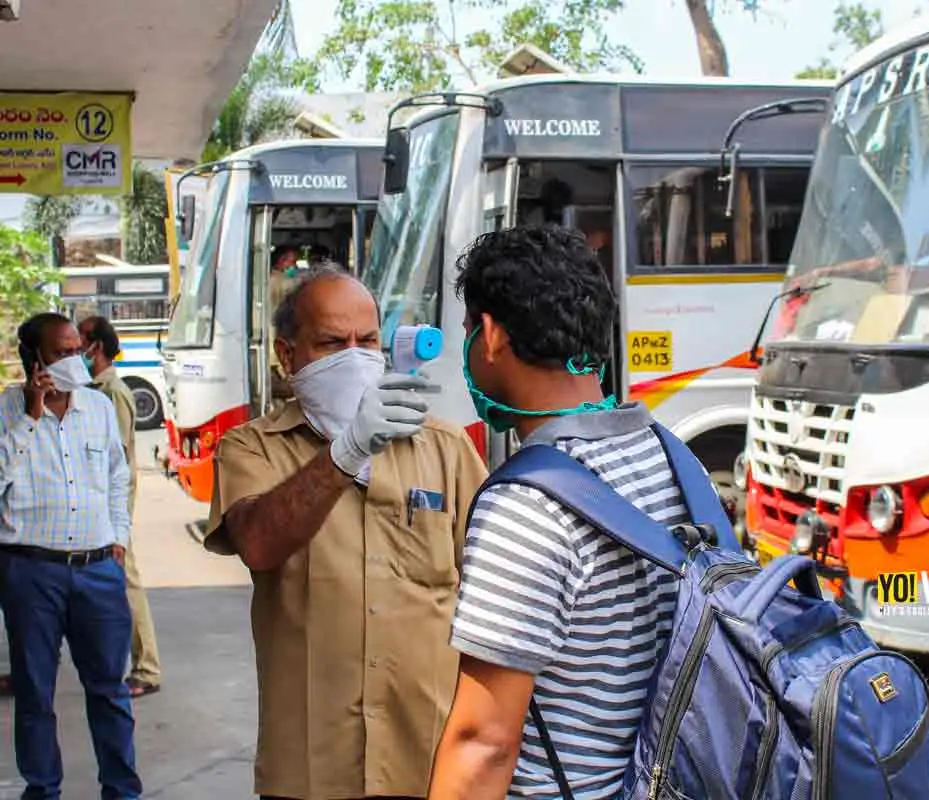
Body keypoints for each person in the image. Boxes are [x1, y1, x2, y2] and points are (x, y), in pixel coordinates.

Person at [204, 268, 488, 800]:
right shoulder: (251, 449)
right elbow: (259, 545)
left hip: (428, 758)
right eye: (333, 343)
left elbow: (492, 598)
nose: (355, 356)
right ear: (288, 358)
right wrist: (348, 451)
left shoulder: (445, 447)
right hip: (311, 770)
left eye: (368, 341)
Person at [428, 225, 685, 799]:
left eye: (470, 330)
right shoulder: (675, 458)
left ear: (490, 336)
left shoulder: (524, 506)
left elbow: (484, 744)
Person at [0, 312, 141, 799]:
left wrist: (118, 537)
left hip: (98, 569)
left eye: (76, 350)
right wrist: (29, 419)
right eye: (60, 352)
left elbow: (119, 476)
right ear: (34, 359)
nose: (73, 359)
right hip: (30, 571)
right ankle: (42, 790)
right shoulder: (7, 411)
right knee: (35, 694)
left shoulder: (98, 409)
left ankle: (121, 791)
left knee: (110, 691)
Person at [79, 315, 163, 698]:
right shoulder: (93, 388)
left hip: (111, 499)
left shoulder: (112, 393)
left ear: (95, 347)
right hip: (97, 498)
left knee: (125, 576)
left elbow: (111, 458)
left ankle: (146, 668)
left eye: (78, 341)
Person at [269, 245, 301, 403]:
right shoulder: (283, 283)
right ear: (282, 261)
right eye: (292, 261)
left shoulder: (266, 278)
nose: (294, 266)